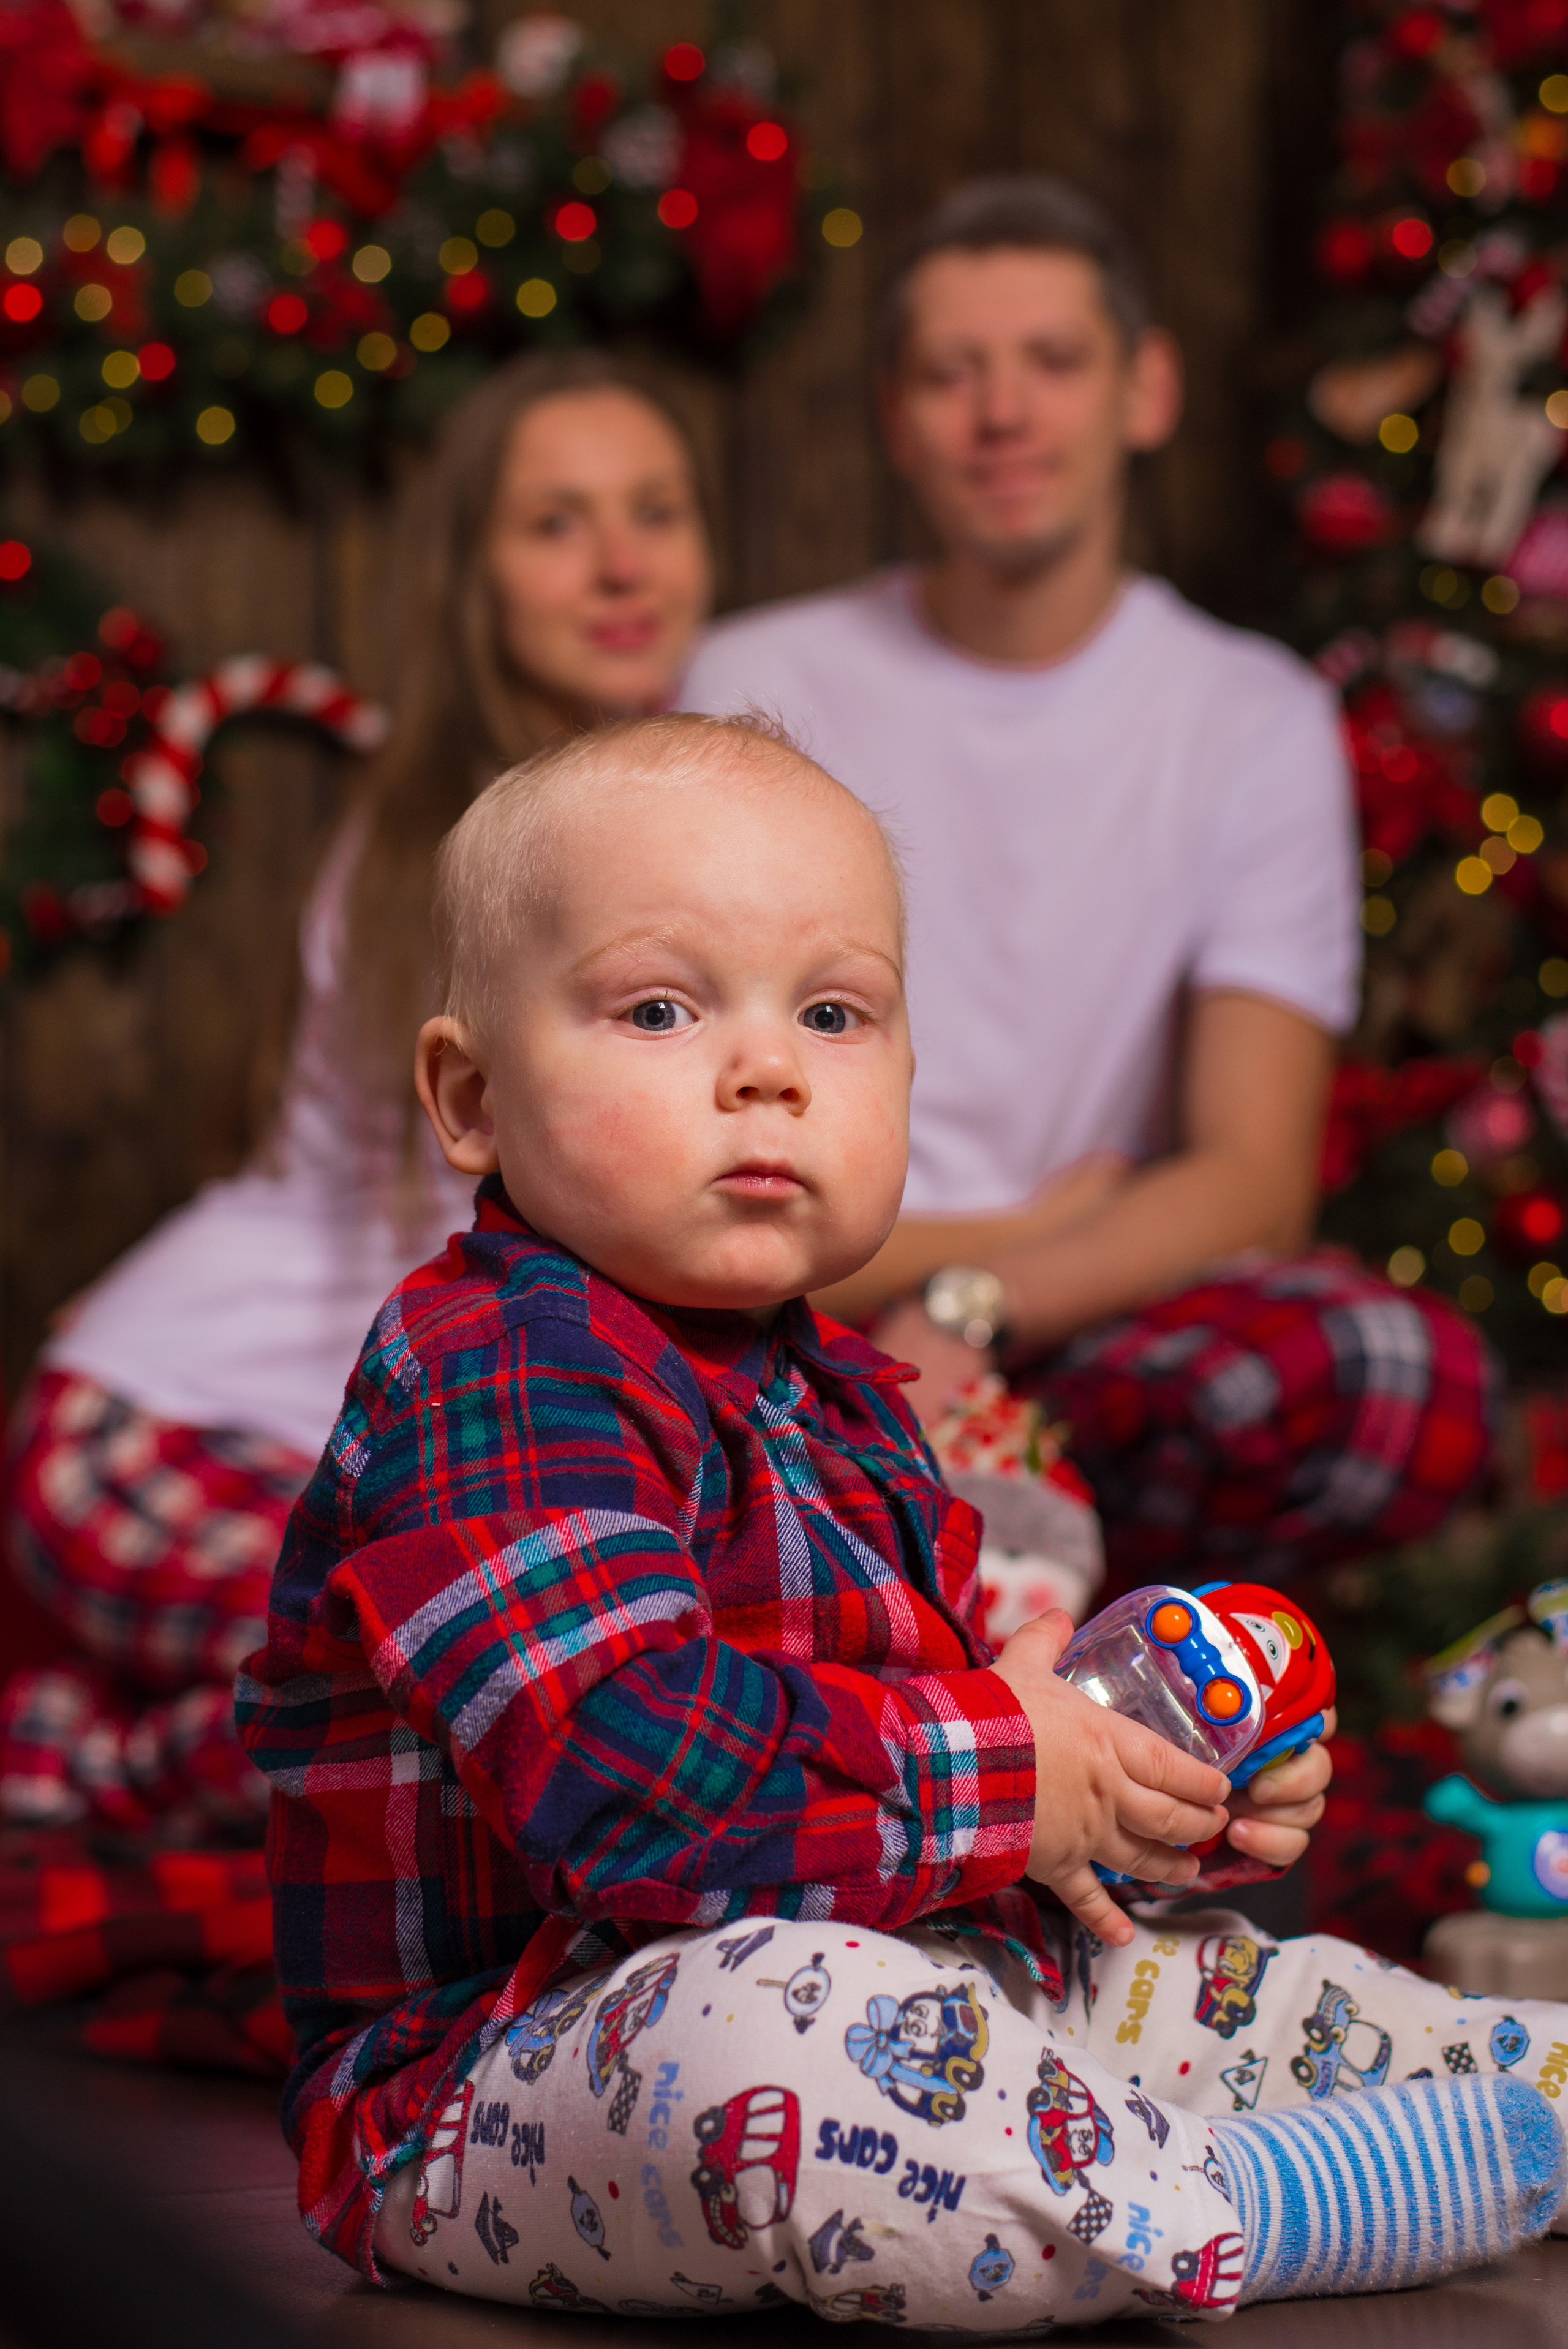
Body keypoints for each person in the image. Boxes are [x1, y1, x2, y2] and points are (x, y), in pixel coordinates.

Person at [238, 714, 1562, 2328]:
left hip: (918, 1980)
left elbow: (943, 1808)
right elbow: (628, 1779)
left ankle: (1523, 2095)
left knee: (1216, 1978)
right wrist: (1014, 1766)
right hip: (514, 2075)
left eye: (836, 1011)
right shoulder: (493, 1368)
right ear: (472, 1096)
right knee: (780, 2039)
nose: (769, 1066)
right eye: (660, 1007)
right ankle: (1223, 2197)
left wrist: (1137, 1789)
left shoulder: (856, 1399)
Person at [679, 178, 1495, 1593]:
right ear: (894, 418)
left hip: (1074, 1324)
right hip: (777, 1297)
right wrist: (910, 1285)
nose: (1004, 415)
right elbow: (668, 1128)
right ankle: (891, 1580)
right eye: (952, 374)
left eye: (1053, 362)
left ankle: (1056, 1604)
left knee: (1381, 1373)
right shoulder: (748, 686)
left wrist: (975, 1303)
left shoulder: (1250, 715)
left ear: (1146, 389)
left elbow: (1251, 1174)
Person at [1, 351, 713, 1842]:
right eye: (556, 522)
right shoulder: (476, 841)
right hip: (163, 1416)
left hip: (332, 1439)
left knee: (512, 1695)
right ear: (475, 576)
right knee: (460, 1682)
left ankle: (119, 1740)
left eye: (655, 509)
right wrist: (1020, 1239)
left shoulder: (661, 808)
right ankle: (59, 1762)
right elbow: (648, 1205)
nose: (622, 559)